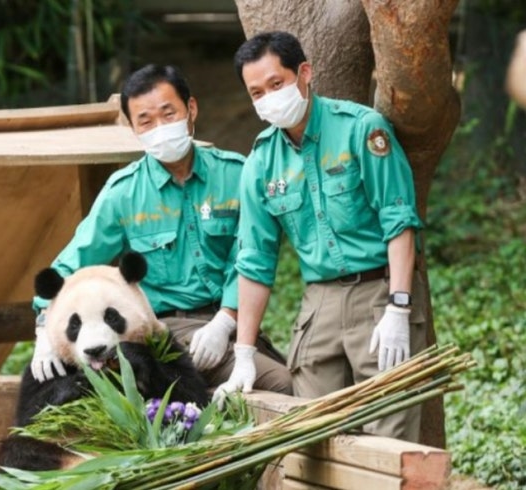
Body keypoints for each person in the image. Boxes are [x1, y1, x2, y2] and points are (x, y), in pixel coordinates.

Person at [214, 31, 428, 442]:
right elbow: (255, 260)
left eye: (276, 84)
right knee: (313, 437)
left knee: (390, 434)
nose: (268, 98)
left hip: (378, 292)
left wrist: (399, 307)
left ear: (305, 73)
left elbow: (398, 219)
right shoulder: (260, 163)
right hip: (320, 305)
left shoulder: (361, 129)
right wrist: (243, 353)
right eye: (256, 92)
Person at [29, 63, 292, 394]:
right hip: (160, 329)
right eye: (146, 121)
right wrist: (44, 331)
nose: (160, 128)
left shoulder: (236, 174)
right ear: (133, 128)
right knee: (279, 385)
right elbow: (69, 265)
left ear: (190, 109)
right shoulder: (123, 192)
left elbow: (248, 255)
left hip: (228, 322)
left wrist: (224, 321)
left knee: (287, 380)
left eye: (169, 114)